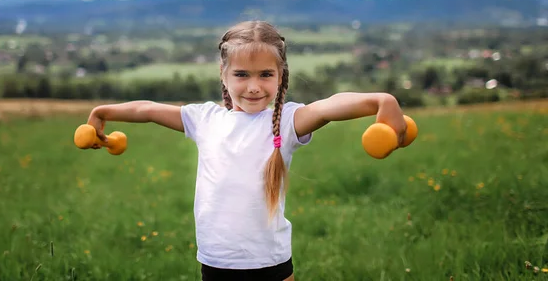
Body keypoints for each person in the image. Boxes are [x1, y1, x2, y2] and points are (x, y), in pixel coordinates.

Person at [85, 20, 407, 281]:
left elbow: (330, 107)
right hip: (215, 263)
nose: (254, 86)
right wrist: (103, 112)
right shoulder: (205, 119)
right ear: (224, 77)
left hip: (270, 264)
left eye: (266, 74)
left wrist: (382, 101)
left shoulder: (287, 121)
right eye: (241, 74)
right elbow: (148, 109)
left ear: (280, 78)